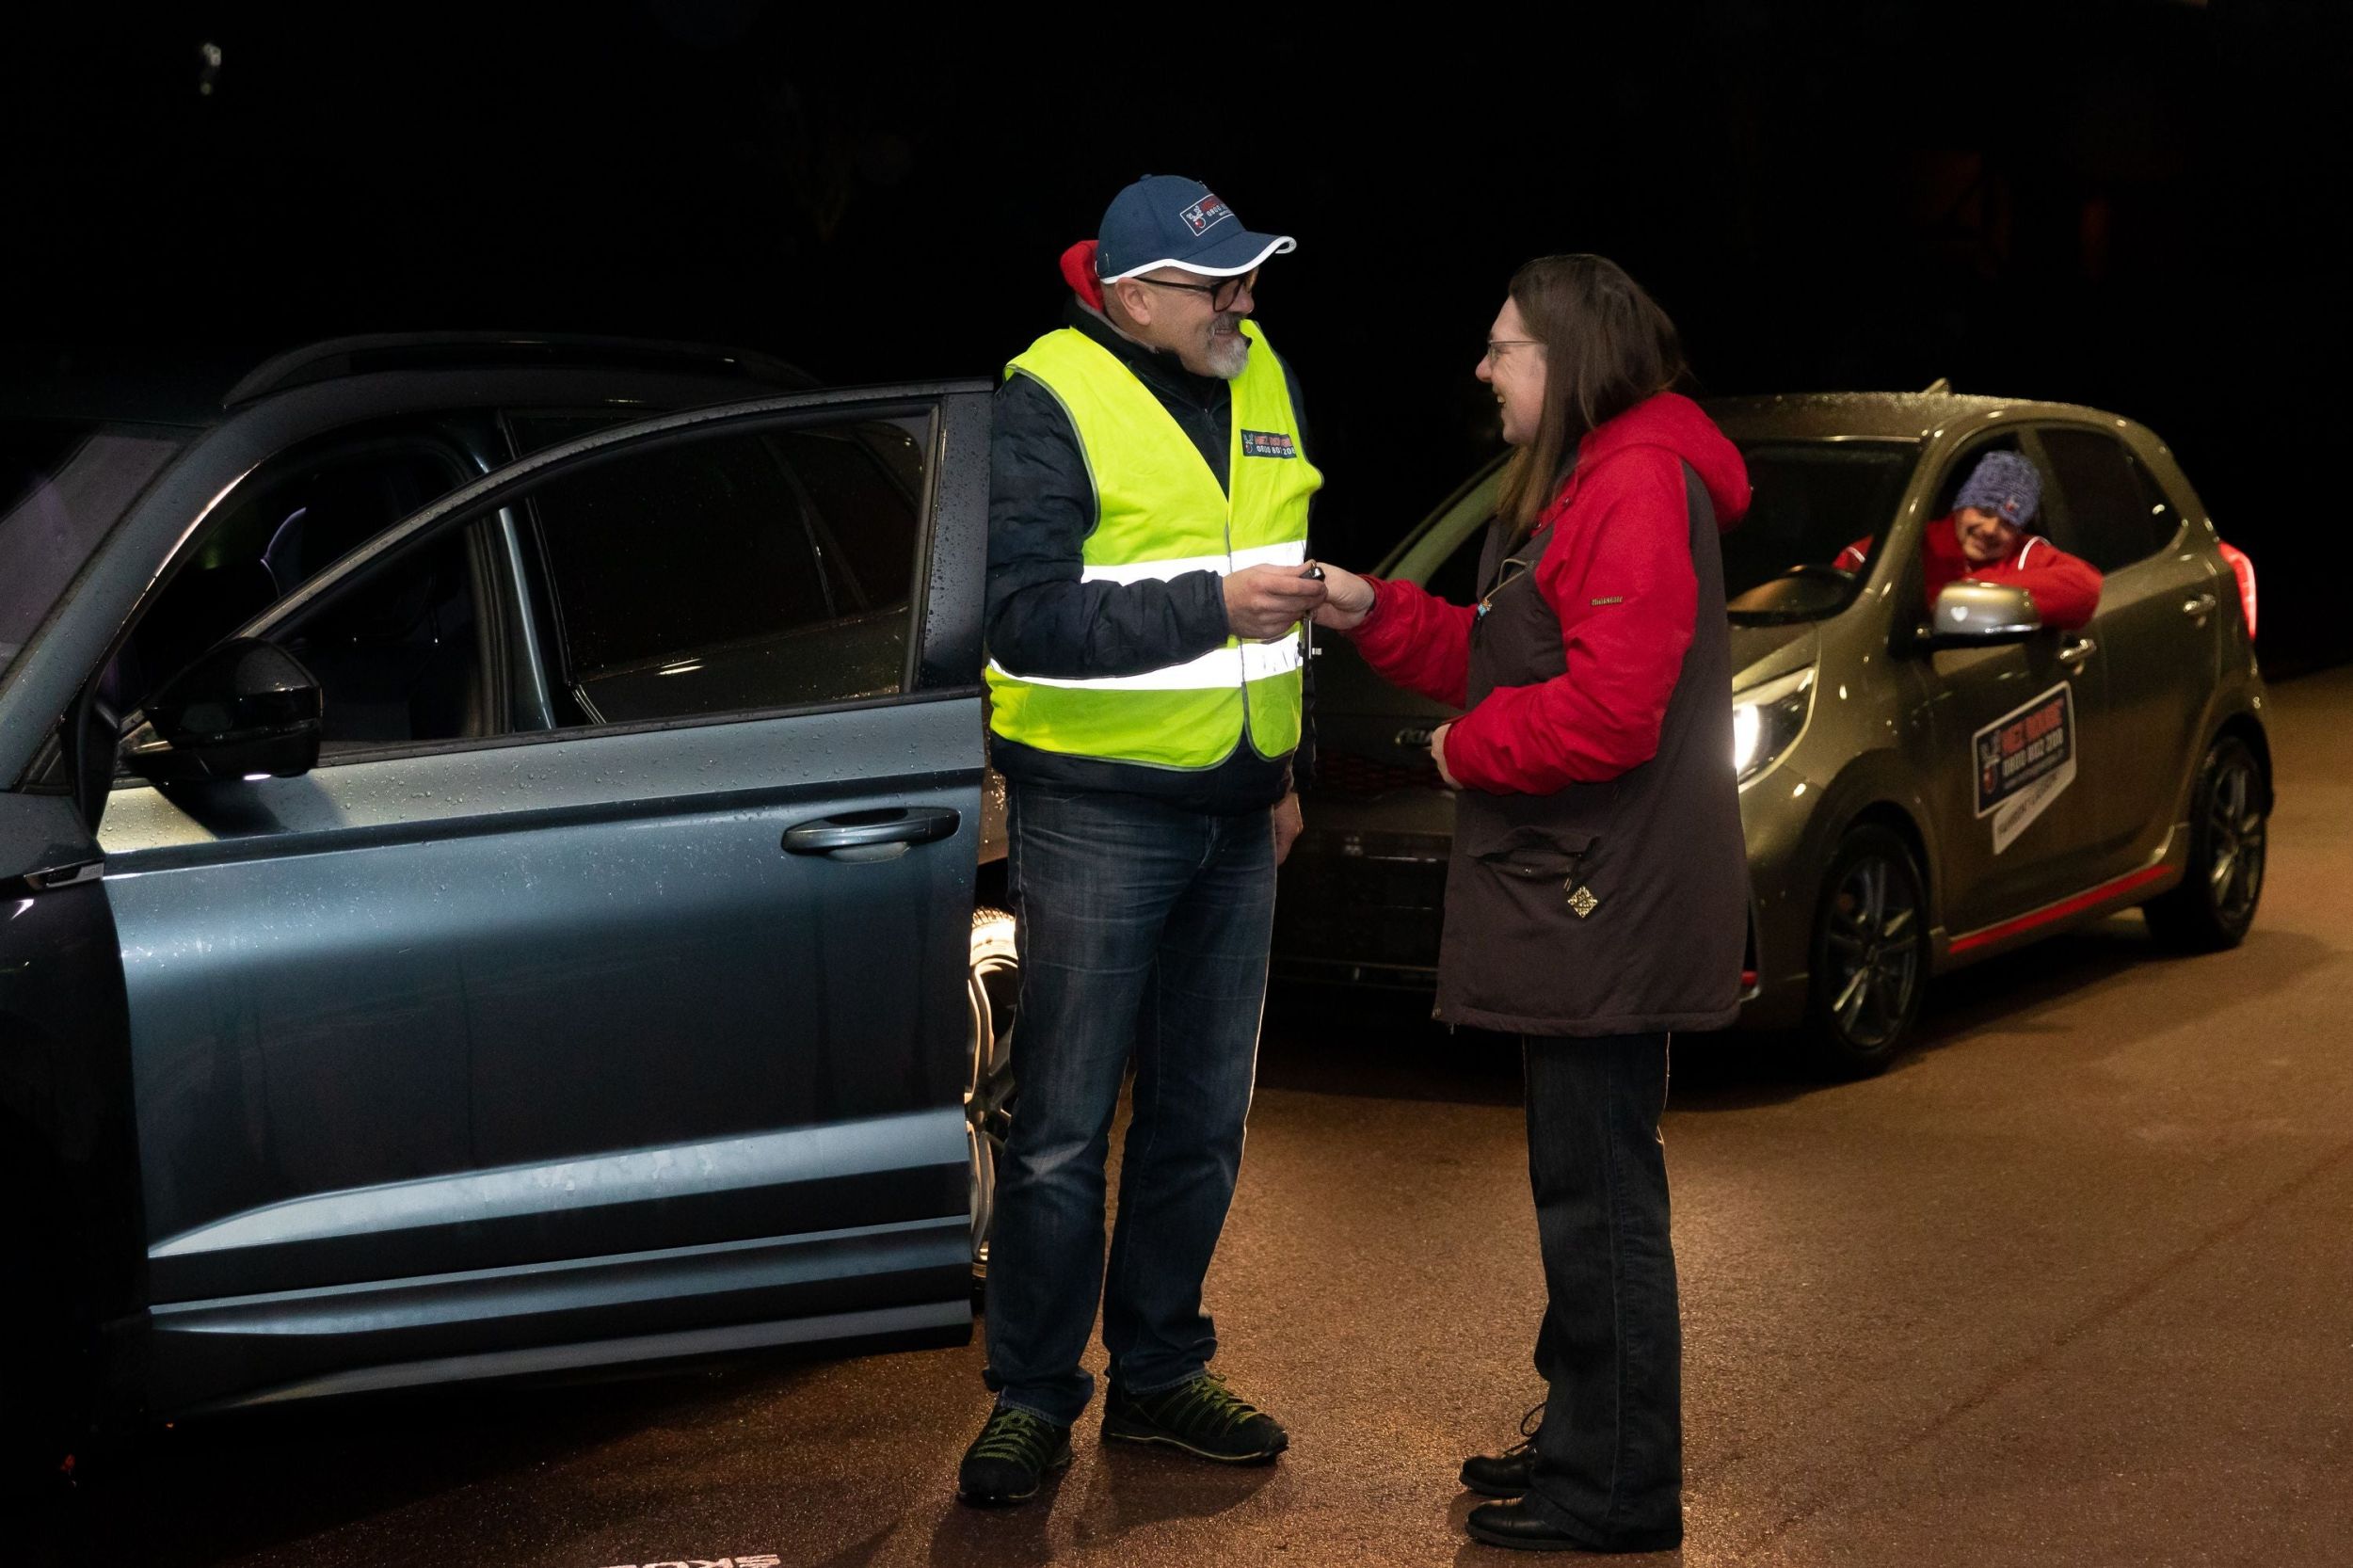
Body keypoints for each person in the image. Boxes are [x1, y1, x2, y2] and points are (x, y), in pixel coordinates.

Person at [1312, 254, 1749, 1553]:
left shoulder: (1631, 483)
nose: (1486, 367)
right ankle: (1583, 1435)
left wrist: (1466, 753)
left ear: (1563, 358)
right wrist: (1368, 607)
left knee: (1599, 1193)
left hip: (1599, 893)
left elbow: (1611, 710)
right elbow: (1490, 649)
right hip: (1580, 888)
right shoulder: (1581, 484)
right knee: (1586, 1180)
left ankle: (1614, 1484)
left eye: (1503, 346)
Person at [956, 175, 1325, 1507]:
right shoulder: (1048, 395)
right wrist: (1212, 605)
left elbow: (1284, 565)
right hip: (1100, 806)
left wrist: (1280, 764)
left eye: (1248, 274)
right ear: (1130, 296)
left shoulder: (1260, 367)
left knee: (1200, 1117)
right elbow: (1028, 622)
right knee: (1060, 1127)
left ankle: (1162, 1373)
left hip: (1237, 807)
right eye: (1215, 281)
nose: (1243, 299)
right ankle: (1034, 1395)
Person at [1832, 449, 2101, 629]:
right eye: (1983, 511)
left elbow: (2085, 585)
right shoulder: (1905, 545)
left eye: (2009, 523)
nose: (1991, 529)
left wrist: (1965, 595)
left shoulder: (2024, 554)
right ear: (1960, 506)